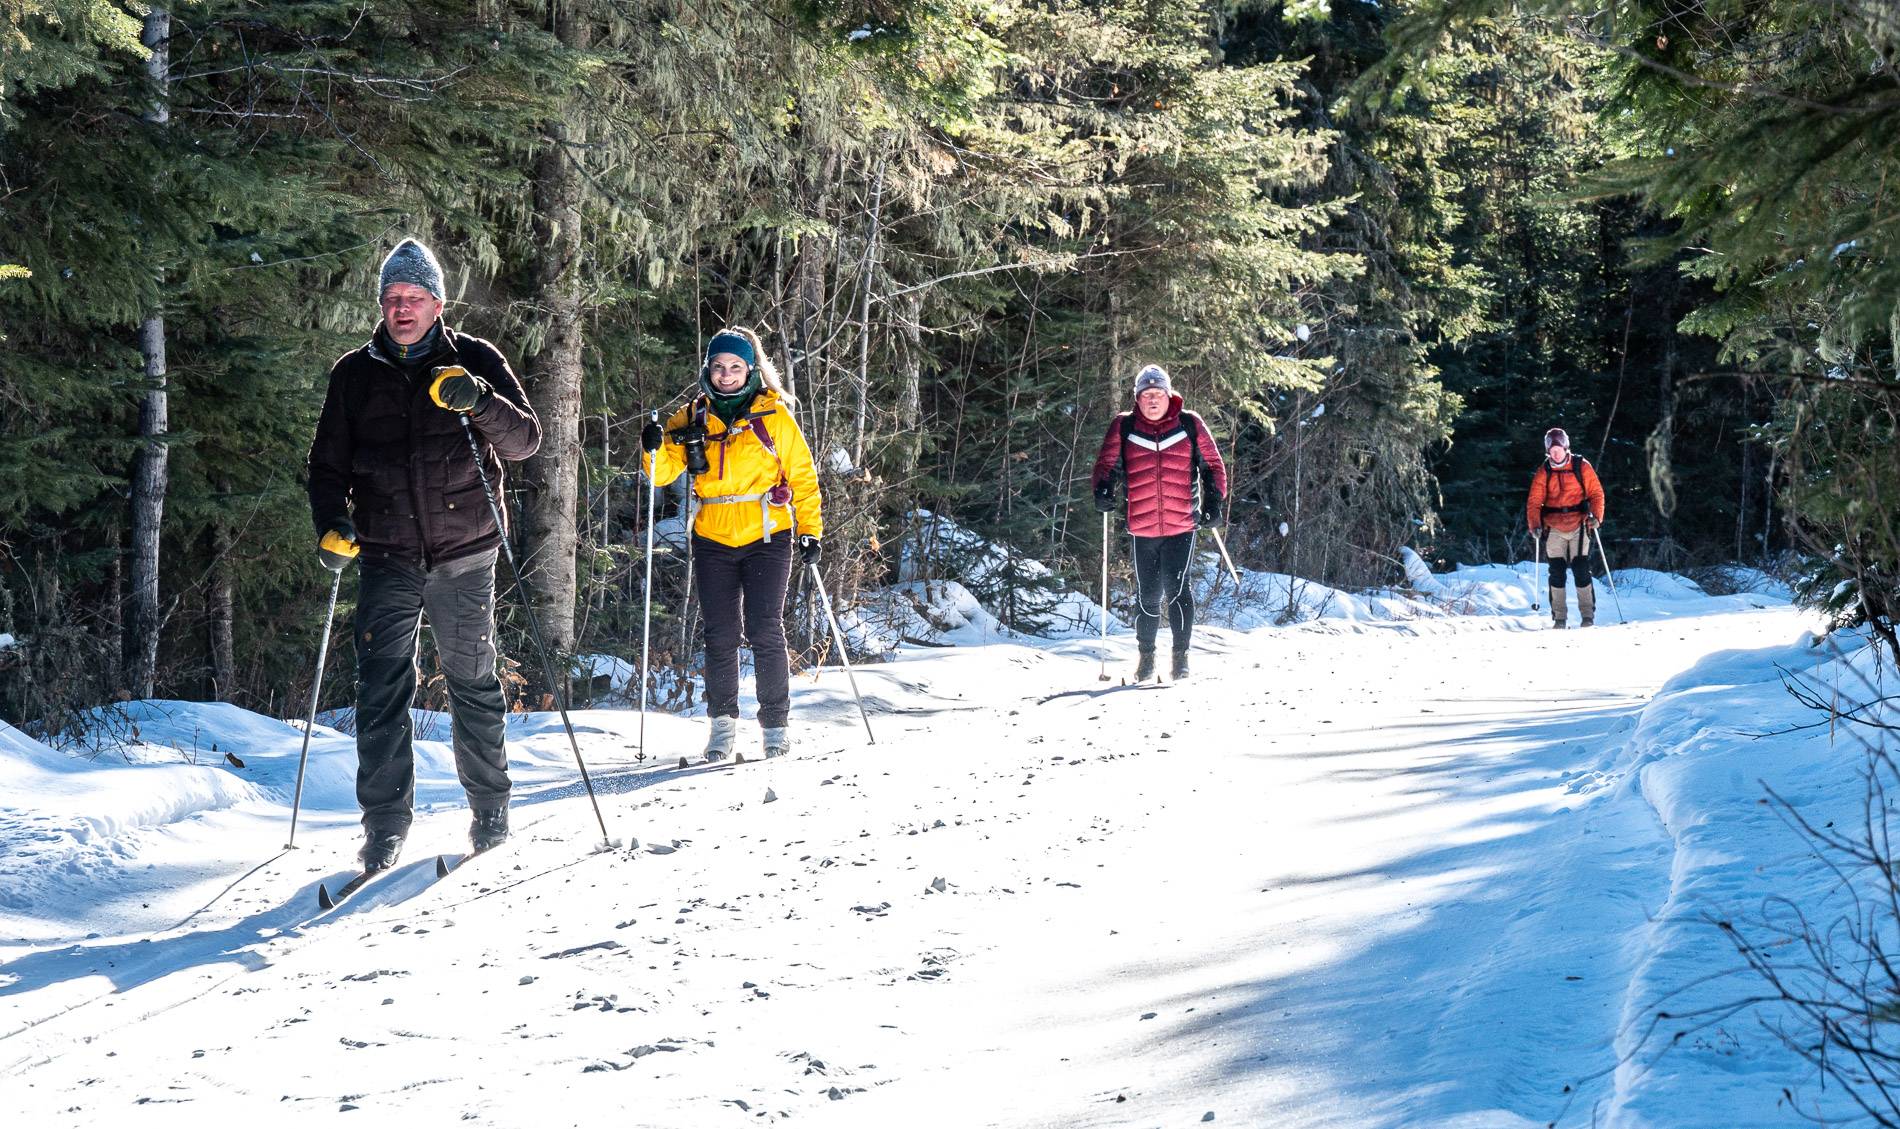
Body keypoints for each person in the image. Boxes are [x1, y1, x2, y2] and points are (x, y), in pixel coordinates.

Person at [307, 238, 543, 870]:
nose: (401, 308)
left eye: (413, 297)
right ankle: (384, 827)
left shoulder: (475, 359)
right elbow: (325, 468)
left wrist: (480, 401)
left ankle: (490, 814)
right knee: (381, 688)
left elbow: (524, 441)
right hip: (386, 555)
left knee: (471, 682)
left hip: (465, 553)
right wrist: (331, 524)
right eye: (391, 298)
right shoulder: (353, 375)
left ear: (438, 303)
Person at [640, 326, 823, 761]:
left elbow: (803, 477)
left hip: (767, 534)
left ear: (750, 369)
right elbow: (662, 473)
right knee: (720, 635)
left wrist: (810, 529)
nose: (726, 374)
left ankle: (775, 728)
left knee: (765, 629)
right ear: (709, 368)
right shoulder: (691, 417)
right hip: (713, 536)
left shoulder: (775, 416)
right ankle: (722, 730)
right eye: (719, 366)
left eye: (735, 367)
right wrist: (652, 448)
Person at [1090, 364, 1229, 681]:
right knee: (1148, 594)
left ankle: (1180, 659)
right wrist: (1103, 490)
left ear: (1169, 395)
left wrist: (1214, 503)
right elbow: (1106, 465)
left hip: (1182, 525)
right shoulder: (1124, 427)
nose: (1152, 399)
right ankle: (1146, 659)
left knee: (1178, 590)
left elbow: (1213, 467)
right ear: (1137, 399)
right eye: (1146, 394)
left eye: (1158, 393)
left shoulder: (1189, 424)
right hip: (1143, 527)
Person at [1525, 426, 1606, 628]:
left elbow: (1596, 493)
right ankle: (1559, 618)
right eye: (1551, 450)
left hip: (1579, 523)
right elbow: (1534, 502)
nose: (1555, 453)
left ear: (1565, 447)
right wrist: (1534, 525)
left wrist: (1596, 517)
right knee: (1557, 571)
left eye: (1558, 449)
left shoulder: (1581, 466)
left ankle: (1587, 616)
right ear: (1547, 451)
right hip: (1553, 527)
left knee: (1581, 569)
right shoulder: (1544, 471)